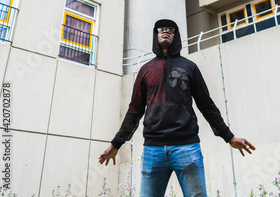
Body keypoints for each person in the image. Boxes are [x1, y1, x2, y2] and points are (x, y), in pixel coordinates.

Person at [99, 19, 255, 197]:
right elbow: (134, 111)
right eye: (161, 29)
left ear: (176, 35)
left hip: (187, 148)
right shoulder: (145, 70)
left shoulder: (189, 67)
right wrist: (116, 143)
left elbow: (207, 106)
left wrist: (229, 137)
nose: (165, 32)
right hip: (153, 150)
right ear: (155, 35)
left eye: (170, 29)